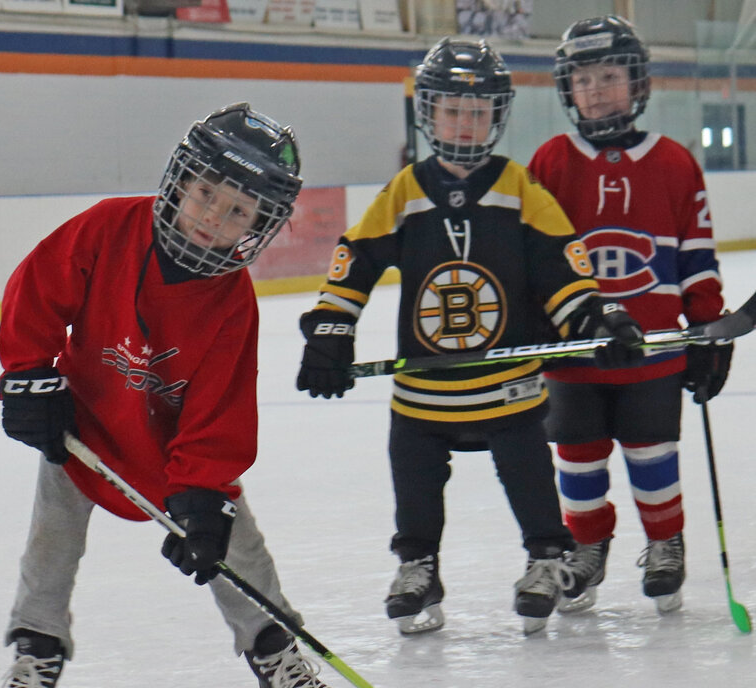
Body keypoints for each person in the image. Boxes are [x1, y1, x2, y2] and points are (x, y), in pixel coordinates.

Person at [0, 103, 350, 688]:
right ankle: (35, 652)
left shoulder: (230, 302)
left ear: (259, 226)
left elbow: (219, 413)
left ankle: (274, 654)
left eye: (237, 212)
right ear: (181, 179)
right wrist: (29, 375)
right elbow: (37, 291)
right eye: (206, 194)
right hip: (82, 430)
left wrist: (203, 494)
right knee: (51, 544)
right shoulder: (107, 229)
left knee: (236, 550)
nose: (213, 216)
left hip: (170, 454)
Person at [295, 37, 643, 636]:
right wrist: (330, 329)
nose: (465, 122)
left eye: (478, 111)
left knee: (528, 470)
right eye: (453, 109)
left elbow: (563, 267)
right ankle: (418, 566)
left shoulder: (520, 188)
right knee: (414, 473)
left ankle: (547, 557)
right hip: (425, 390)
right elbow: (356, 258)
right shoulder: (406, 190)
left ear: (497, 115)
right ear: (429, 112)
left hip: (507, 386)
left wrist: (598, 322)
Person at [528, 16, 732, 615]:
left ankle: (666, 543)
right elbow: (535, 259)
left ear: (637, 82)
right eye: (583, 78)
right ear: (568, 88)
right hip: (573, 354)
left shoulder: (674, 163)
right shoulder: (549, 162)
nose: (595, 89)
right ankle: (587, 549)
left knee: (652, 455)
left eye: (609, 75)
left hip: (656, 351)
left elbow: (697, 256)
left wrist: (709, 331)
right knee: (578, 456)